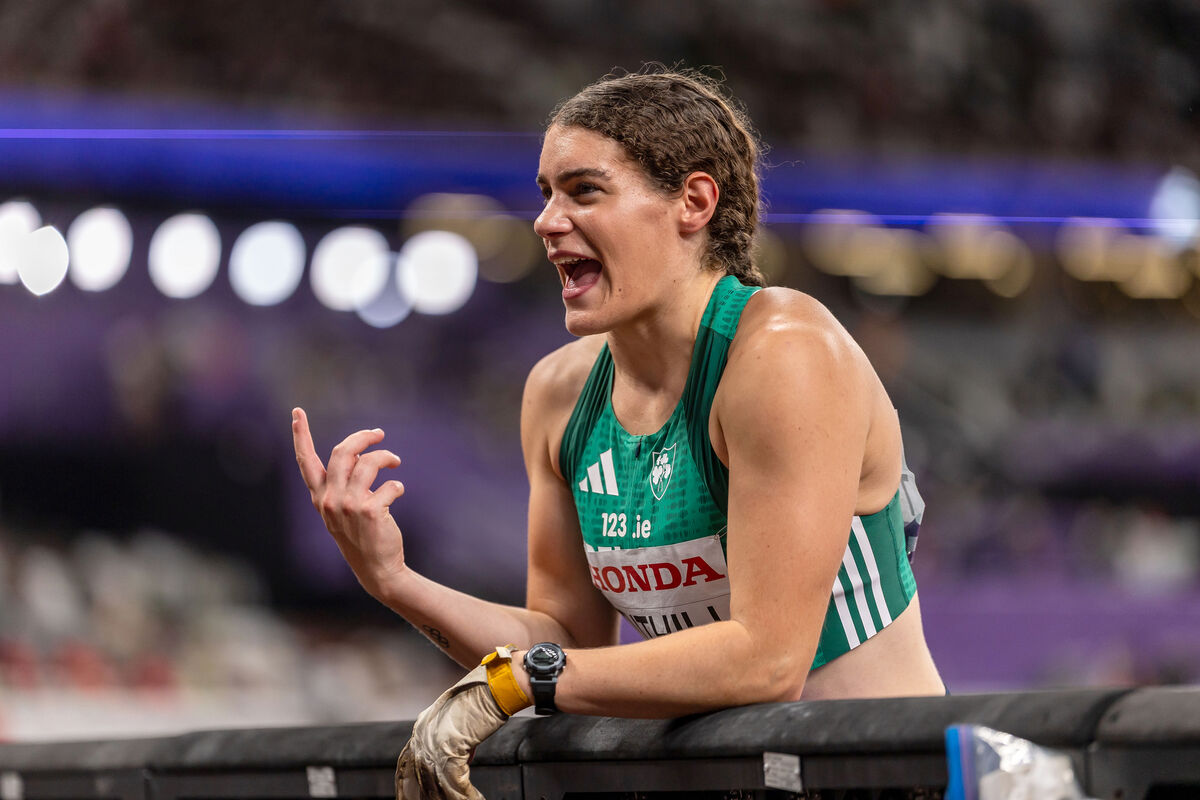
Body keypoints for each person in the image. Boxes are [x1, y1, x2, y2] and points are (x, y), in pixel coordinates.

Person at [292, 66, 944, 799]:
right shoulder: (560, 396)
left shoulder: (784, 353)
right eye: (546, 194)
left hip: (883, 782)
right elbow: (564, 641)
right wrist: (393, 581)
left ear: (693, 202)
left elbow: (767, 661)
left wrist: (514, 683)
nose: (546, 221)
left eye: (584, 190)